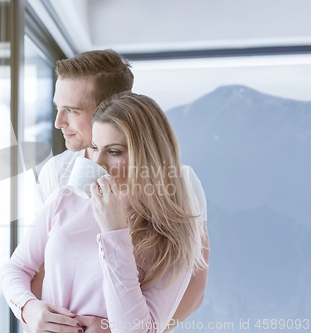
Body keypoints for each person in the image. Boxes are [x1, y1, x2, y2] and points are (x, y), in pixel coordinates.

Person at [24, 50, 209, 332]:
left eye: (72, 110)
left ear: (110, 108)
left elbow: (193, 287)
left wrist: (122, 328)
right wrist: (34, 315)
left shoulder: (178, 182)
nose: (58, 122)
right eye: (57, 108)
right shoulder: (57, 175)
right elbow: (38, 269)